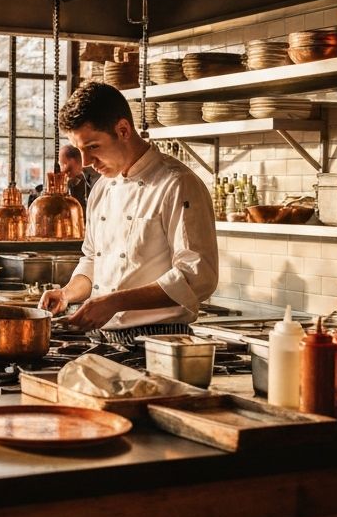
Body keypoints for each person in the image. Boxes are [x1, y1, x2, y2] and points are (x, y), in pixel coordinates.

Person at [38, 82, 218, 341]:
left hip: (160, 340)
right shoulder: (102, 188)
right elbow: (92, 260)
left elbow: (198, 277)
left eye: (93, 147)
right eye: (80, 150)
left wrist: (113, 302)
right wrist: (67, 294)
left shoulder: (177, 184)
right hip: (104, 338)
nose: (86, 162)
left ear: (123, 130)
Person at [58, 143, 100, 209]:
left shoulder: (99, 176)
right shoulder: (84, 176)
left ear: (73, 160)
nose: (63, 170)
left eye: (63, 164)